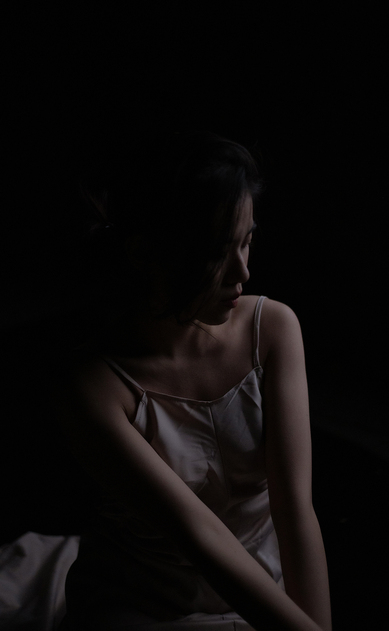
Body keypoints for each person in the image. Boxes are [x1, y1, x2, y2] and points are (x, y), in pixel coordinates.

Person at [56, 130, 332, 630]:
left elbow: (295, 510)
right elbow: (199, 535)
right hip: (145, 607)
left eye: (248, 241)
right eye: (217, 253)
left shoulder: (272, 329)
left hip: (261, 591)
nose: (242, 272)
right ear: (144, 253)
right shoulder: (96, 387)